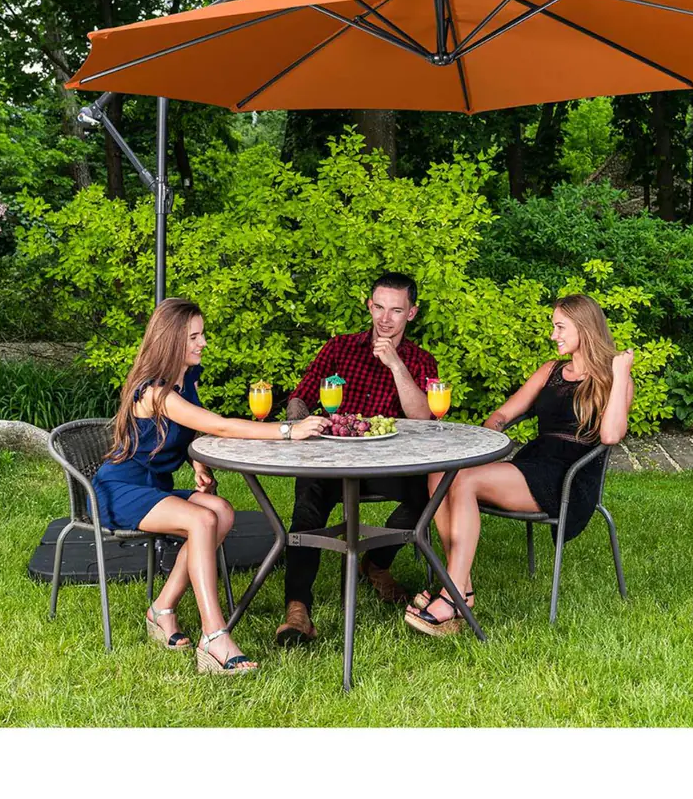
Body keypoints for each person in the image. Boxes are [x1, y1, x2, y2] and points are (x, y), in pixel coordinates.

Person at [92, 297, 326, 673]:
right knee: (201, 520)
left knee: (222, 511)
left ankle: (161, 609)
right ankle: (215, 636)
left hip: (154, 488)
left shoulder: (186, 379)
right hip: (120, 490)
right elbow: (218, 425)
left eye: (202, 334)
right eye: (194, 337)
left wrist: (196, 461)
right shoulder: (155, 392)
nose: (203, 343)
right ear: (171, 340)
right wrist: (288, 430)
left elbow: (185, 430)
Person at [404, 293, 634, 637]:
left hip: (568, 477)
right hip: (533, 462)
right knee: (441, 472)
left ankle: (452, 597)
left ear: (584, 328)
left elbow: (611, 435)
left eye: (560, 327)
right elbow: (502, 414)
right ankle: (460, 586)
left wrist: (620, 373)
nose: (553, 335)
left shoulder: (613, 379)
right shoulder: (551, 371)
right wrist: (489, 438)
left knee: (464, 482)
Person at [277, 272, 439, 645]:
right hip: (332, 459)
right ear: (369, 306)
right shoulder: (339, 349)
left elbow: (423, 418)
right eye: (379, 307)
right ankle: (297, 610)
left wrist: (396, 365)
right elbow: (301, 397)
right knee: (307, 508)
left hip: (389, 464)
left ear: (411, 313)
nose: (385, 318)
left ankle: (376, 563)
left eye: (396, 310)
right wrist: (299, 426)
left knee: (430, 492)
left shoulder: (420, 360)